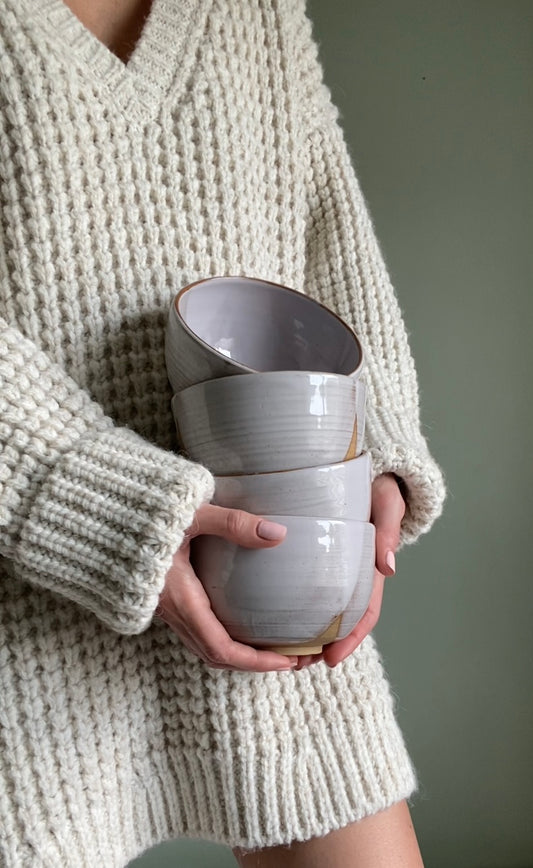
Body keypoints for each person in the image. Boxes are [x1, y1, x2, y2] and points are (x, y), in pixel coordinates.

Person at [0, 0, 446, 865]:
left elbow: (325, 228)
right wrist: (99, 502)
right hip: (24, 592)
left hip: (269, 555)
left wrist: (366, 454)